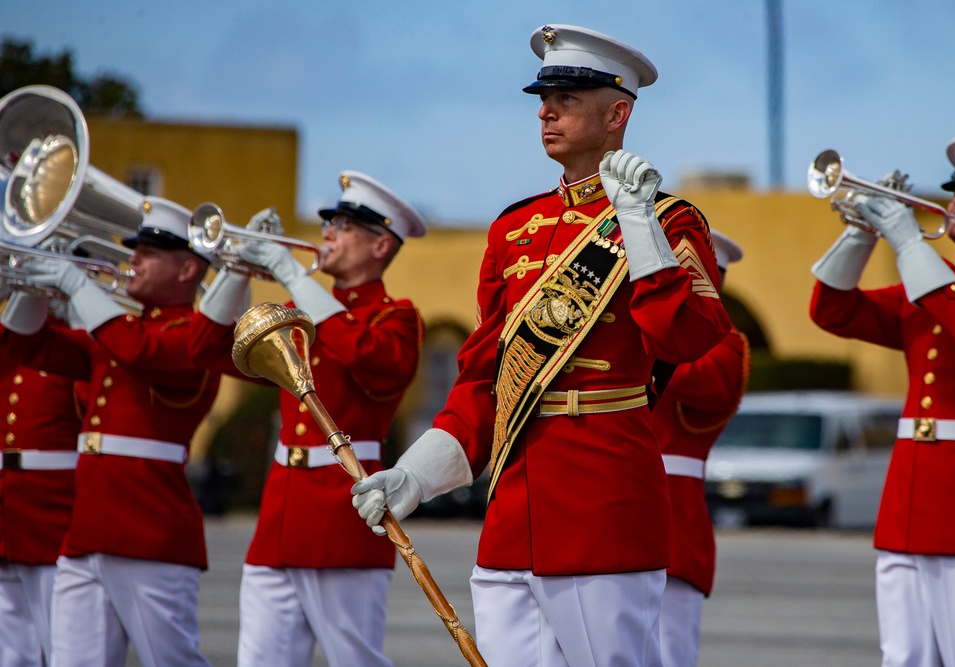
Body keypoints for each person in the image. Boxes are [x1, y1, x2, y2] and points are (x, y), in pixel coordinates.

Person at [351, 24, 732, 667]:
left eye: (568, 96)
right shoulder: (514, 227)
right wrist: (414, 475)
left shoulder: (669, 221)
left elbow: (689, 335)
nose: (545, 109)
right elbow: (485, 382)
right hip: (510, 519)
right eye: (543, 95)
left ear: (618, 112)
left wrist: (636, 219)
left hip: (602, 511)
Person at [189, 172, 426, 667]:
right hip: (280, 515)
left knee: (354, 660)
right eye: (329, 222)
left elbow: (366, 354)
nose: (328, 233)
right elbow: (206, 350)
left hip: (345, 517)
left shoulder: (394, 318)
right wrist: (237, 267)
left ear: (381, 244)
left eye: (344, 225)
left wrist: (292, 274)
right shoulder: (302, 314)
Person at [0, 196, 218, 667]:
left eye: (149, 253)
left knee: (173, 660)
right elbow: (24, 345)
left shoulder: (195, 336)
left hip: (149, 530)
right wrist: (35, 280)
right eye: (134, 249)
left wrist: (76, 283)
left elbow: (140, 352)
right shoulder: (117, 332)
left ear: (186, 270)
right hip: (87, 531)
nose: (132, 259)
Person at [810, 135, 955, 667]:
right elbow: (832, 310)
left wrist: (908, 242)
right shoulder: (937, 287)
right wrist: (861, 235)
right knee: (905, 658)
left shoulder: (945, 288)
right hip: (907, 508)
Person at [649, 230, 750, 667]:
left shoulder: (726, 346)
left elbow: (682, 375)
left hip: (673, 523)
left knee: (670, 655)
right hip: (608, 512)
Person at [0, 301, 82, 667]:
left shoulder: (75, 343)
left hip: (53, 506)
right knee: (11, 645)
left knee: (61, 639)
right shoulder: (9, 339)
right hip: (8, 505)